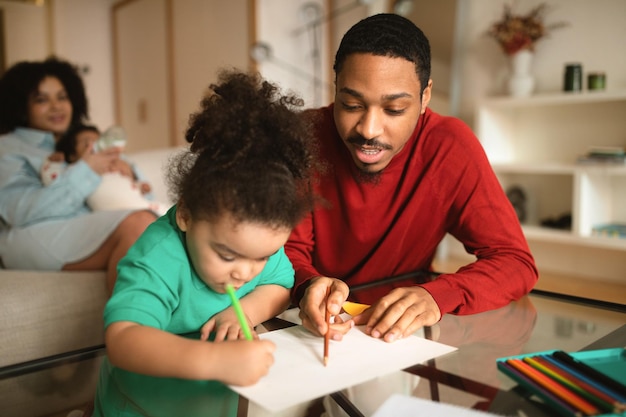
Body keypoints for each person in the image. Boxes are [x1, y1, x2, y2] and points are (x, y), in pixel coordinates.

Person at [285, 13, 538, 344]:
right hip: (309, 327)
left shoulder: (449, 147)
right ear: (335, 89)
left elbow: (515, 262)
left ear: (425, 97)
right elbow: (283, 250)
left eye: (394, 110)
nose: (369, 130)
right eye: (351, 104)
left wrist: (438, 294)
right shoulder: (302, 138)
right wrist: (307, 285)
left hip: (400, 336)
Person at [92, 70, 320, 417]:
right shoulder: (158, 257)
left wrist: (243, 311)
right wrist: (215, 360)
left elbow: (280, 285)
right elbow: (124, 338)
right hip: (138, 407)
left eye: (263, 256)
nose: (245, 271)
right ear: (186, 214)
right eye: (227, 254)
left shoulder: (254, 252)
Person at [0, 56, 157, 293]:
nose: (56, 106)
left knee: (163, 226)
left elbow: (139, 195)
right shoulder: (8, 147)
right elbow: (19, 212)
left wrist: (131, 175)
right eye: (41, 99)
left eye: (62, 97)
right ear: (21, 107)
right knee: (138, 224)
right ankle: (126, 328)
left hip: (85, 222)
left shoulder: (81, 141)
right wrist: (87, 170)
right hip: (28, 234)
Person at [41, 123, 169, 215]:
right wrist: (53, 162)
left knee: (169, 214)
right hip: (115, 215)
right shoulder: (74, 170)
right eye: (88, 144)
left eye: (100, 144)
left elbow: (131, 189)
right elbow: (53, 182)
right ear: (72, 155)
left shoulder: (118, 163)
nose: (97, 149)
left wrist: (139, 184)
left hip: (142, 206)